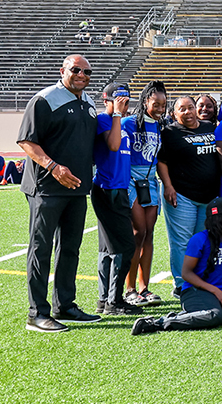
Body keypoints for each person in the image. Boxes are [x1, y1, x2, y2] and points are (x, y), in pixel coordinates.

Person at [18, 54, 101, 332]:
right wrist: (53, 167)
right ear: (63, 70)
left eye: (87, 72)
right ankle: (37, 313)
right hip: (47, 188)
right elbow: (27, 141)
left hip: (77, 188)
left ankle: (65, 305)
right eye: (76, 70)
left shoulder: (88, 101)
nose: (82, 75)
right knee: (40, 249)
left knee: (70, 248)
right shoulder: (44, 99)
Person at [131, 196, 222, 335]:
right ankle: (159, 322)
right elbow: (186, 273)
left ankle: (195, 316)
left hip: (217, 295)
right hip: (195, 292)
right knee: (214, 316)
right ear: (219, 218)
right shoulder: (199, 239)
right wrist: (216, 291)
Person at [157, 96, 222, 294]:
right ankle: (180, 284)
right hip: (182, 195)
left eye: (190, 107)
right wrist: (168, 186)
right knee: (181, 242)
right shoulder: (169, 132)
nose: (187, 112)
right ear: (174, 114)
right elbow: (162, 161)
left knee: (201, 240)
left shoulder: (209, 127)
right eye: (182, 109)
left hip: (208, 197)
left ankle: (198, 279)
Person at [90, 83, 141, 316]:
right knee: (124, 245)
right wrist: (117, 113)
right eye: (118, 100)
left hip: (119, 189)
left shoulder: (122, 124)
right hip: (107, 189)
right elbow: (112, 145)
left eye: (126, 100)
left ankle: (105, 300)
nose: (123, 104)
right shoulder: (104, 119)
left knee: (109, 247)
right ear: (106, 100)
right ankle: (114, 301)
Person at [123, 80, 168, 307]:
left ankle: (144, 288)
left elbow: (160, 159)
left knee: (149, 234)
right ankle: (129, 289)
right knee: (137, 232)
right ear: (145, 101)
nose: (160, 109)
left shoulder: (162, 127)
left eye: (164, 104)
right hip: (132, 180)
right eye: (156, 104)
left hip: (151, 182)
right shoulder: (128, 123)